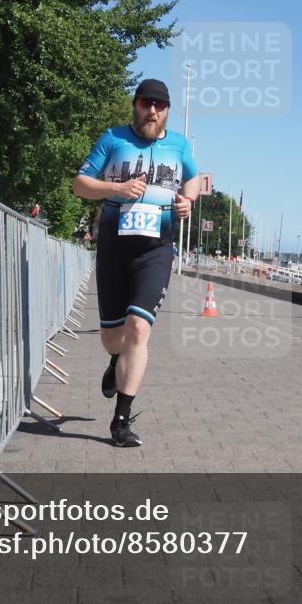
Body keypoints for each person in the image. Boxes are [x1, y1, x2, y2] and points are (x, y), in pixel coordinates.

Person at [73, 79, 198, 447]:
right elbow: (80, 184)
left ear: (167, 111)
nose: (153, 111)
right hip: (114, 248)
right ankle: (115, 361)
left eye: (160, 105)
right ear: (136, 105)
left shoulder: (179, 145)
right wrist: (116, 188)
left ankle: (121, 421)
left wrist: (188, 202)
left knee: (139, 330)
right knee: (114, 336)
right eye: (146, 103)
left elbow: (192, 179)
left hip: (156, 250)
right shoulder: (113, 138)